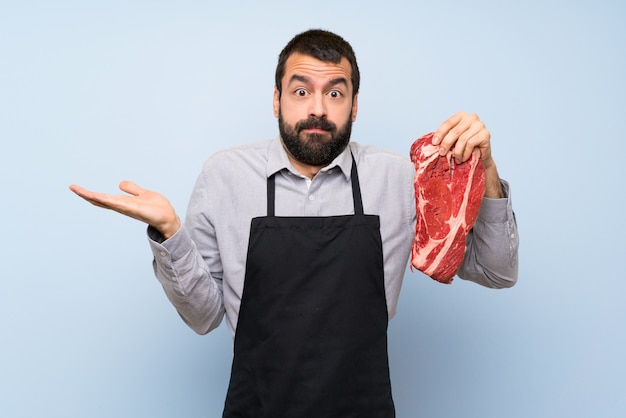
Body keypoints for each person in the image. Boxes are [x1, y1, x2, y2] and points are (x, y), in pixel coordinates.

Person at [70, 29, 518, 417]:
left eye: (335, 93)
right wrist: (170, 233)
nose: (318, 109)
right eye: (301, 91)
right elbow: (204, 316)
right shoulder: (224, 175)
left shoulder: (399, 177)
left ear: (355, 105)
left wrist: (487, 168)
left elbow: (496, 272)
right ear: (276, 99)